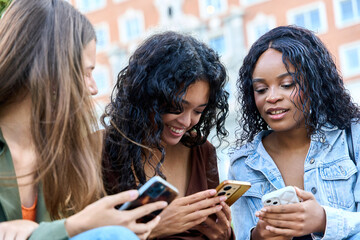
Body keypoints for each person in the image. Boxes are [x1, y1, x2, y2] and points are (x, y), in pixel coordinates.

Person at [0, 0, 167, 239]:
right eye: (87, 72)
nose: (93, 88)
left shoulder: (66, 152)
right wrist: (70, 227)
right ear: (51, 65)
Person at [228, 25, 360, 240]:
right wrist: (258, 237)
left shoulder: (352, 135)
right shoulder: (242, 164)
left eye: (287, 84)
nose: (272, 97)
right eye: (261, 89)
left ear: (314, 84)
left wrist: (323, 221)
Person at [102, 31, 235, 239]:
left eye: (198, 111)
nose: (186, 121)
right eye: (177, 107)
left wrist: (222, 235)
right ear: (149, 96)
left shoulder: (201, 150)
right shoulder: (99, 148)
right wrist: (153, 229)